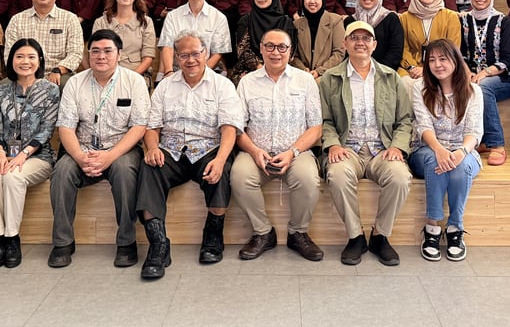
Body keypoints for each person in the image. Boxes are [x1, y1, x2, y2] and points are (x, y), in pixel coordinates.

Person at [137, 31, 245, 279]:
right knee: (149, 167)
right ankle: (158, 245)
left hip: (208, 147)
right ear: (176, 58)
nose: (191, 60)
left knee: (221, 169)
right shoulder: (165, 86)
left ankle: (213, 235)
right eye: (184, 55)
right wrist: (152, 148)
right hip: (171, 149)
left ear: (205, 53)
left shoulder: (222, 85)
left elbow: (229, 128)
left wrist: (220, 159)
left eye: (196, 53)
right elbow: (152, 127)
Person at [49, 29, 151, 268]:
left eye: (107, 51)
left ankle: (126, 241)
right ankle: (63, 242)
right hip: (83, 148)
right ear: (88, 55)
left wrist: (110, 156)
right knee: (62, 172)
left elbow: (139, 126)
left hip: (121, 148)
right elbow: (65, 127)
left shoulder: (134, 81)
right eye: (95, 51)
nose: (101, 56)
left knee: (125, 172)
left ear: (119, 54)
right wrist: (80, 157)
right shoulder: (75, 82)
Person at [319, 21, 413, 266]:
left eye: (366, 38)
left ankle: (380, 236)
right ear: (345, 43)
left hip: (382, 149)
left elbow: (405, 120)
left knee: (400, 177)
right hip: (347, 148)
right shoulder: (330, 78)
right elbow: (324, 120)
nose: (360, 42)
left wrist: (397, 146)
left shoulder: (391, 77)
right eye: (354, 38)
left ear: (374, 45)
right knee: (337, 175)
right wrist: (333, 145)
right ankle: (356, 237)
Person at [232, 29, 325, 262]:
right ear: (261, 49)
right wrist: (254, 151)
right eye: (270, 46)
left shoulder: (305, 81)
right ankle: (263, 232)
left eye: (282, 47)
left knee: (308, 179)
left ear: (290, 51)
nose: (276, 52)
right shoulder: (247, 83)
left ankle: (298, 232)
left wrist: (292, 152)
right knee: (239, 176)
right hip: (256, 152)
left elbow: (316, 127)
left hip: (296, 151)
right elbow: (237, 128)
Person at [0, 38, 59, 268]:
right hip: (4, 154)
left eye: (31, 57)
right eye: (19, 56)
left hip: (38, 156)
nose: (25, 61)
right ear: (11, 60)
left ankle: (12, 237)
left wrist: (23, 155)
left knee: (13, 176)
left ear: (40, 61)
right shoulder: (1, 90)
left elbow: (46, 130)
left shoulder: (50, 90)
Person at [408, 38, 483, 262]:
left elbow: (474, 131)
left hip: (463, 150)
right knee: (435, 161)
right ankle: (432, 227)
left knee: (460, 167)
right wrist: (439, 150)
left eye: (443, 59)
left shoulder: (474, 91)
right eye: (431, 60)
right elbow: (423, 126)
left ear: (455, 60)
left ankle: (455, 228)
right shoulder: (419, 88)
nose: (437, 64)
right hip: (426, 150)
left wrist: (461, 152)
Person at [460, 0, 510, 166]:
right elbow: (459, 53)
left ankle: (497, 144)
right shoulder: (463, 20)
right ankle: (479, 141)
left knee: (482, 88)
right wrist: (467, 72)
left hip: (502, 77)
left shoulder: (504, 21)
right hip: (470, 76)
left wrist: (484, 73)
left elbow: (509, 59)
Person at [4, 0, 84, 89]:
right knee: (3, 86)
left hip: (58, 73)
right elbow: (9, 55)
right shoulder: (17, 20)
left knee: (65, 85)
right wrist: (27, 73)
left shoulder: (70, 19)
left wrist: (58, 70)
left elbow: (75, 53)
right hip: (25, 72)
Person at [156, 0, 232, 79]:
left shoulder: (218, 18)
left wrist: (199, 74)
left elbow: (218, 53)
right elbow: (167, 46)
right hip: (177, 72)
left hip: (209, 71)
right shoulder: (172, 16)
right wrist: (169, 72)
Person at [92, 0, 157, 80]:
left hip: (136, 75)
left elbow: (148, 57)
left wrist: (129, 78)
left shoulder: (146, 22)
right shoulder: (101, 22)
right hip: (106, 75)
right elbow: (96, 54)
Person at [398, 0, 462, 78]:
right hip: (411, 69)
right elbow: (403, 48)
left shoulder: (451, 17)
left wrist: (427, 69)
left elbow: (453, 49)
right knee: (406, 83)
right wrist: (412, 67)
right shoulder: (404, 18)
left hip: (442, 67)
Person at [232, 0, 296, 80]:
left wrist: (273, 70)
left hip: (281, 69)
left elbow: (290, 52)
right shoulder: (246, 21)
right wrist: (261, 69)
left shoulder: (286, 22)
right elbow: (243, 51)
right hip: (251, 70)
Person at [292, 0, 346, 79]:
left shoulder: (335, 21)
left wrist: (319, 71)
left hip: (328, 77)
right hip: (303, 76)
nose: (312, 1)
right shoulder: (296, 24)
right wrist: (303, 70)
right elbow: (293, 55)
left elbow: (339, 53)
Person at [349, 0, 403, 68]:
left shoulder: (390, 18)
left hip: (384, 71)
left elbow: (396, 51)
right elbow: (346, 51)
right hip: (354, 70)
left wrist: (376, 70)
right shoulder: (350, 21)